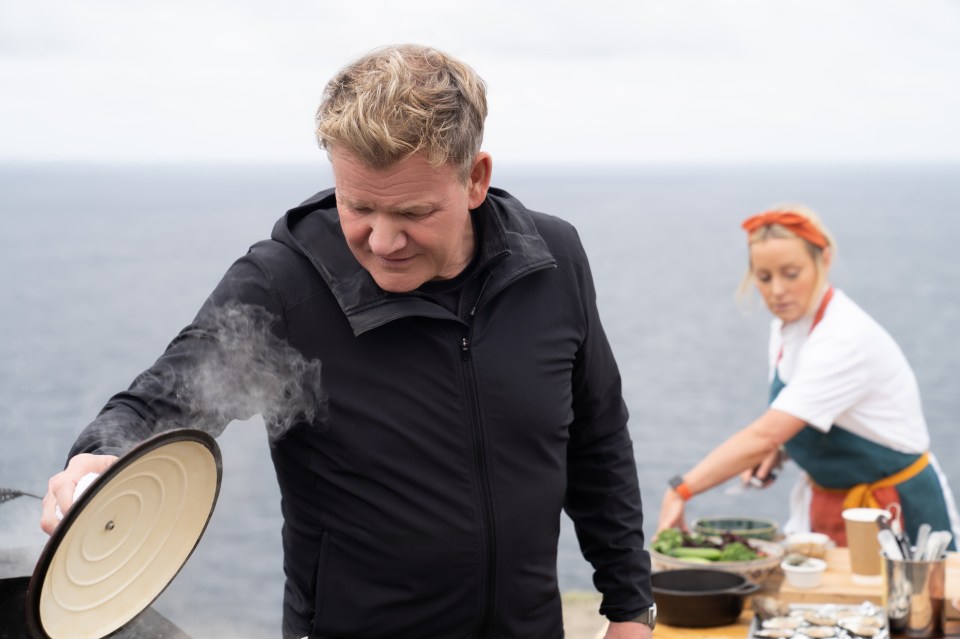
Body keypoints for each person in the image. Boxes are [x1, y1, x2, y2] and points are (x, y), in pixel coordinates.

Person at [40, 44, 655, 639]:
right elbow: (159, 403)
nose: (383, 241)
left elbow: (597, 437)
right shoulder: (282, 287)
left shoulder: (553, 260)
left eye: (412, 213)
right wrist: (102, 456)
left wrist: (631, 603)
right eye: (358, 206)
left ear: (475, 179)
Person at [657, 205, 960, 549]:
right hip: (831, 503)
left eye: (791, 273)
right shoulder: (787, 329)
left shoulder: (844, 338)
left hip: (895, 509)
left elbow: (767, 433)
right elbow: (803, 419)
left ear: (824, 261)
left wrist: (681, 488)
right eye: (765, 277)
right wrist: (786, 449)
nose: (777, 291)